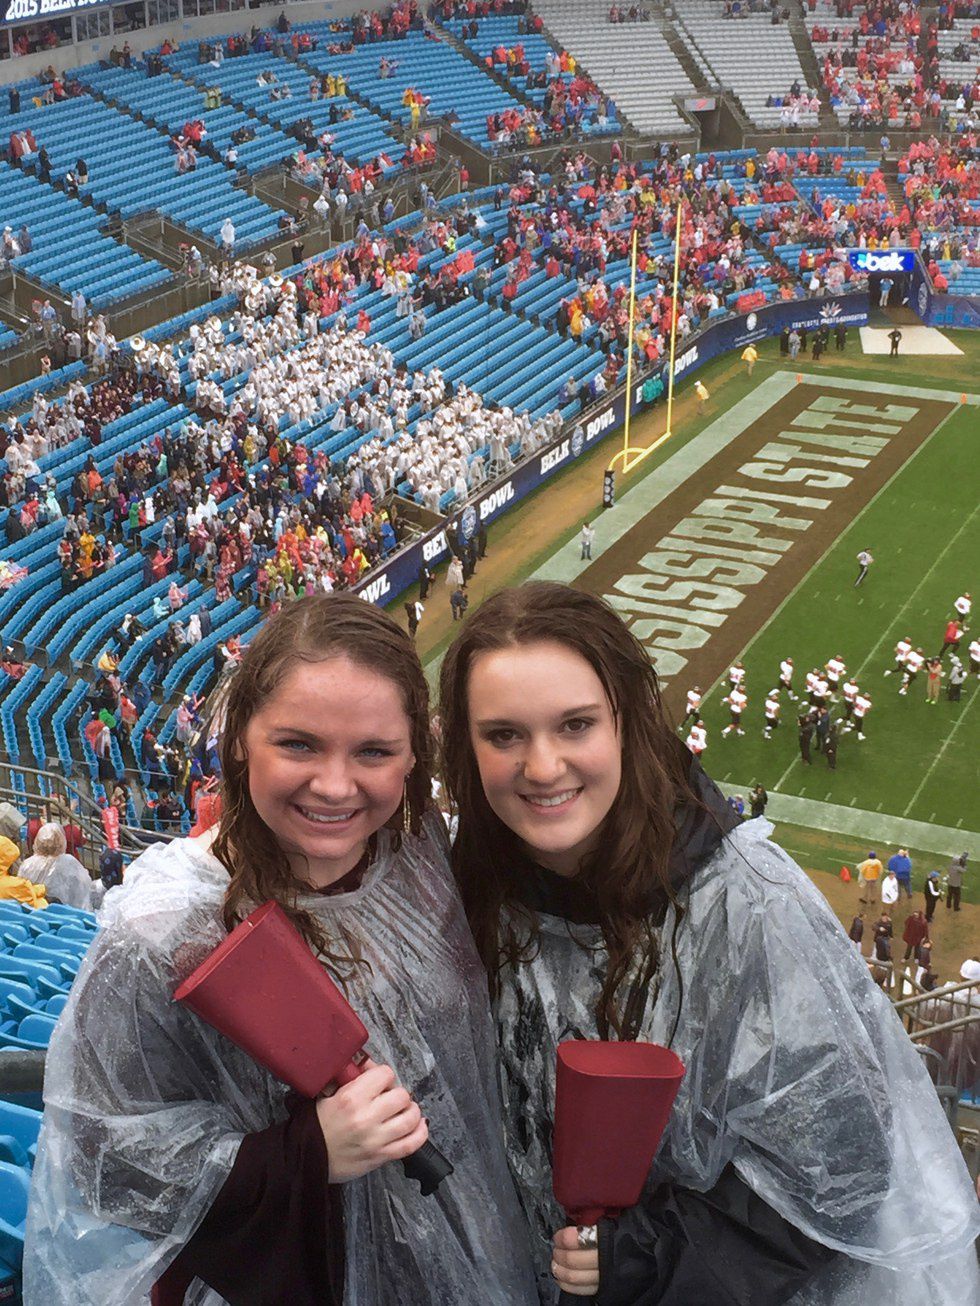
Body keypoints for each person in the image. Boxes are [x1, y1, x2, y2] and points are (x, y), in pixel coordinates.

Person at [438, 581, 979, 1304]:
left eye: (575, 725)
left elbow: (842, 1162)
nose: (542, 766)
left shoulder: (750, 904)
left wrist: (645, 1257)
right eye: (504, 735)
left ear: (628, 723)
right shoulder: (466, 887)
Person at [24, 595, 538, 1306]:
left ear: (413, 755)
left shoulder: (422, 854)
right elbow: (103, 1158)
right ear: (240, 739)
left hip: (478, 1257)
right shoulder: (161, 934)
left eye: (374, 751)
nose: (335, 785)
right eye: (298, 744)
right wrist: (304, 1154)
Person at [18, 823, 99, 910]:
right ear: (62, 841)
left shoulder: (27, 864)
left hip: (31, 911)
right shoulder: (69, 863)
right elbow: (84, 888)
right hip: (67, 914)